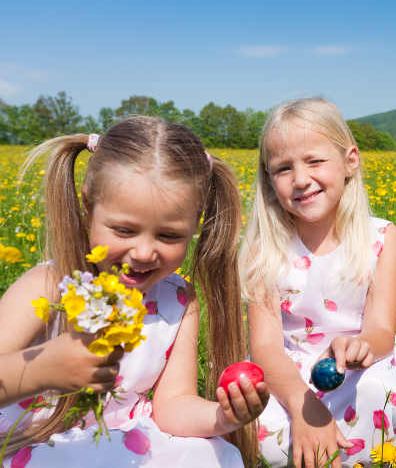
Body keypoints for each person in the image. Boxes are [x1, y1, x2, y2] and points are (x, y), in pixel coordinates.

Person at [0, 116, 269, 467]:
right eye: (124, 231)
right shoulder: (51, 285)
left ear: (194, 226)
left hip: (127, 442)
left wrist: (224, 417)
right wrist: (44, 370)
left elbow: (172, 406)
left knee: (216, 454)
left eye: (169, 236)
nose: (144, 253)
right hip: (39, 445)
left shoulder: (177, 300)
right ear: (88, 209)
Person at [240, 97, 396, 468]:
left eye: (314, 161)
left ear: (350, 162)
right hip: (287, 374)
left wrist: (358, 346)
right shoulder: (264, 249)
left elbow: (381, 331)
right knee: (263, 438)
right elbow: (264, 346)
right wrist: (304, 406)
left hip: (363, 365)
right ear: (268, 178)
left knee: (376, 395)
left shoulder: (382, 238)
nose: (301, 179)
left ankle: (376, 451)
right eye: (283, 168)